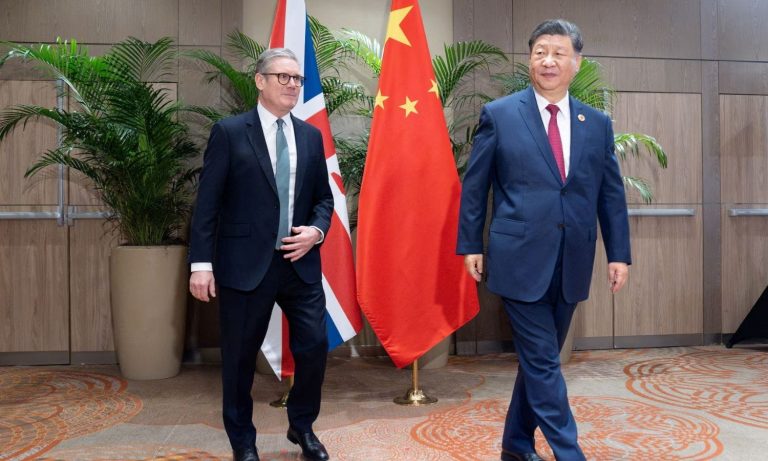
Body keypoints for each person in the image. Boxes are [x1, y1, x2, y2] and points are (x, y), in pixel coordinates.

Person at [457, 19, 631, 461]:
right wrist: (470, 244)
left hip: (572, 259)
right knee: (544, 362)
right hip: (518, 259)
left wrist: (619, 254)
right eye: (540, 52)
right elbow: (475, 187)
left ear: (577, 62)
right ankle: (569, 452)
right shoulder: (500, 114)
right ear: (530, 59)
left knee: (540, 360)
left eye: (558, 53)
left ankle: (515, 445)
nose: (548, 61)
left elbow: (609, 193)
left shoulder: (596, 123)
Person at [188, 48, 333, 461]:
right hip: (245, 265)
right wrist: (201, 265)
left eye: (297, 79)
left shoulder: (310, 136)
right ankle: (243, 442)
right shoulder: (230, 132)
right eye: (283, 77)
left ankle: (302, 426)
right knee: (238, 360)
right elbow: (207, 205)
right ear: (260, 80)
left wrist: (316, 231)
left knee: (315, 346)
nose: (292, 85)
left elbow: (323, 199)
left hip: (299, 264)